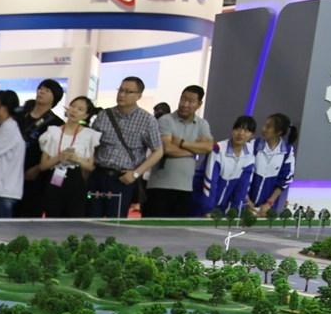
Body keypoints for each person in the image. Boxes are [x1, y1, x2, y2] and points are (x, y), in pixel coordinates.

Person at [87, 76, 163, 218]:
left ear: (139, 96)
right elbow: (91, 144)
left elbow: (158, 151)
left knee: (115, 222)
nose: (122, 94)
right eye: (120, 90)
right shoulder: (104, 115)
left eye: (128, 92)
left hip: (122, 178)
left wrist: (135, 174)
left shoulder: (147, 120)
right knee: (90, 218)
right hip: (98, 175)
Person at [145, 85, 213, 217]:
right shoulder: (166, 120)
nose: (185, 104)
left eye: (190, 101)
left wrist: (182, 143)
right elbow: (167, 148)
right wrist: (194, 150)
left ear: (199, 104)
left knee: (177, 228)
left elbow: (208, 147)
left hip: (185, 187)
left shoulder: (202, 124)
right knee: (153, 226)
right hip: (160, 186)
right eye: (183, 99)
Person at [38, 95, 101, 217]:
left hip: (76, 180)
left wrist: (76, 158)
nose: (74, 110)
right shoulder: (53, 132)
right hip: (55, 178)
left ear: (86, 115)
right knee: (53, 216)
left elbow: (90, 166)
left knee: (74, 217)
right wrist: (59, 157)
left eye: (80, 109)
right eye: (73, 106)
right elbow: (43, 166)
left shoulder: (89, 135)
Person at [17, 79, 65, 217]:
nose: (41, 91)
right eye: (40, 88)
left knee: (29, 213)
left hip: (36, 176)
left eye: (47, 90)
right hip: (12, 171)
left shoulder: (57, 123)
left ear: (55, 98)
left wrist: (37, 169)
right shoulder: (20, 116)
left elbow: (55, 154)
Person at [195, 116, 257, 214]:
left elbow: (243, 187)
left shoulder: (250, 153)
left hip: (222, 207)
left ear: (252, 135)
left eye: (246, 131)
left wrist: (235, 212)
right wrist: (208, 209)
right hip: (201, 202)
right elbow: (210, 182)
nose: (241, 133)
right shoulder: (218, 149)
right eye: (238, 129)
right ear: (232, 130)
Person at [246, 112, 297, 216]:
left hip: (267, 208)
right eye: (264, 125)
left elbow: (284, 180)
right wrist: (246, 199)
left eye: (268, 127)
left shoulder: (287, 152)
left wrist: (269, 203)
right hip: (245, 203)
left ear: (279, 132)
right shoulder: (253, 145)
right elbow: (243, 175)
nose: (263, 129)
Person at [0, 90, 25, 218]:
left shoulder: (9, 127)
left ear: (4, 107)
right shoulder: (5, 126)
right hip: (3, 188)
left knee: (1, 228)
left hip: (5, 190)